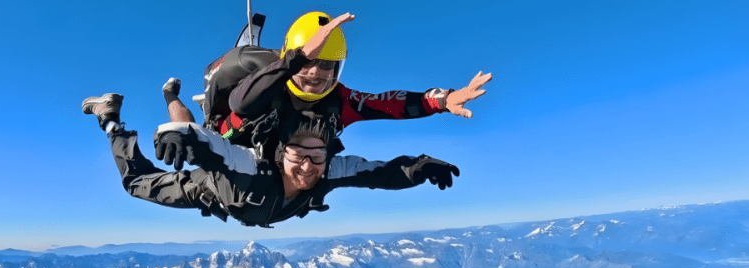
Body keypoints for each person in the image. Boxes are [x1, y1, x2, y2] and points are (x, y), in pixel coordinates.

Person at [81, 93, 460, 228]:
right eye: (298, 155)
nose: (309, 167)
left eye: (318, 156)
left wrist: (419, 167)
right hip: (207, 187)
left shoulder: (329, 171)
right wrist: (175, 136)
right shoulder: (251, 168)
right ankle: (111, 120)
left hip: (240, 197)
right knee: (136, 184)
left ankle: (199, 105)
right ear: (281, 155)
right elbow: (211, 149)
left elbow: (380, 172)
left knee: (209, 133)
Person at [162, 11, 493, 163]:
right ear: (295, 57)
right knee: (189, 131)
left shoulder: (339, 101)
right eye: (310, 62)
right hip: (228, 136)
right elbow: (241, 103)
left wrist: (443, 99)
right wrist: (296, 60)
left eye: (328, 65)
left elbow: (389, 104)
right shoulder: (269, 83)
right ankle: (171, 96)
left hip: (282, 163)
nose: (317, 73)